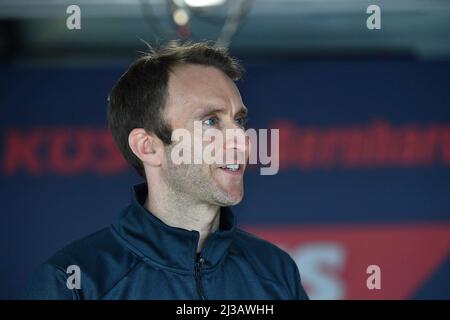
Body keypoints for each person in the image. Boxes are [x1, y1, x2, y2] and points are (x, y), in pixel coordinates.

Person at [24, 41, 309, 300]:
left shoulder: (277, 272)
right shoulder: (74, 281)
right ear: (148, 147)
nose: (242, 139)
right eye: (210, 121)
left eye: (239, 120)